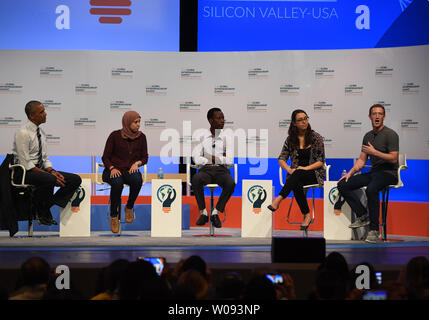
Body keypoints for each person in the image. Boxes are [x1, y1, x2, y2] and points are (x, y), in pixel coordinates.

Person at [12, 100, 82, 225]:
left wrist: (52, 171)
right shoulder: (22, 133)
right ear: (31, 116)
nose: (45, 114)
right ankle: (42, 210)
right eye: (42, 112)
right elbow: (26, 162)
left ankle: (44, 207)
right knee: (49, 179)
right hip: (24, 172)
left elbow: (44, 158)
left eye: (44, 110)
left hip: (39, 171)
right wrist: (50, 175)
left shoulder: (41, 133)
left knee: (75, 180)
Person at [337, 104, 399, 243]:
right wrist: (351, 173)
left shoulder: (391, 134)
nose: (377, 116)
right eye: (374, 113)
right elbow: (361, 160)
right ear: (370, 116)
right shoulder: (367, 136)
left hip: (389, 173)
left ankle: (374, 230)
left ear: (384, 116)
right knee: (343, 184)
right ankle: (363, 215)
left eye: (380, 113)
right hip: (374, 173)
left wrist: (375, 152)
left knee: (372, 188)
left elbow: (394, 158)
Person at [267, 109, 325, 231]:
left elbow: (320, 161)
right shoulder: (291, 139)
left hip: (314, 174)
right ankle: (307, 216)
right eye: (300, 120)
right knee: (296, 182)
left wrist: (304, 168)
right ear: (294, 123)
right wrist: (289, 169)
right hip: (296, 176)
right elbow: (281, 159)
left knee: (297, 173)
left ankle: (278, 199)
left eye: (305, 118)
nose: (304, 122)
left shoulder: (316, 137)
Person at [102, 110, 148, 234]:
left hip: (129, 170)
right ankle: (114, 216)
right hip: (112, 170)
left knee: (137, 179)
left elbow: (145, 157)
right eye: (135, 122)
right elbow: (105, 157)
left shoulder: (141, 137)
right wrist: (112, 168)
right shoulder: (114, 136)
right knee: (117, 182)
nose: (138, 124)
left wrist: (137, 163)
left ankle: (129, 207)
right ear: (127, 122)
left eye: (139, 122)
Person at [192, 107, 235, 228]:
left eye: (223, 118)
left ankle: (215, 212)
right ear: (210, 120)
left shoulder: (228, 137)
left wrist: (212, 157)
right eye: (219, 118)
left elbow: (230, 160)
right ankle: (204, 212)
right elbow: (196, 157)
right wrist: (216, 158)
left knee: (231, 183)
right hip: (206, 169)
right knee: (196, 179)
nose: (222, 121)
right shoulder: (202, 137)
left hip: (222, 170)